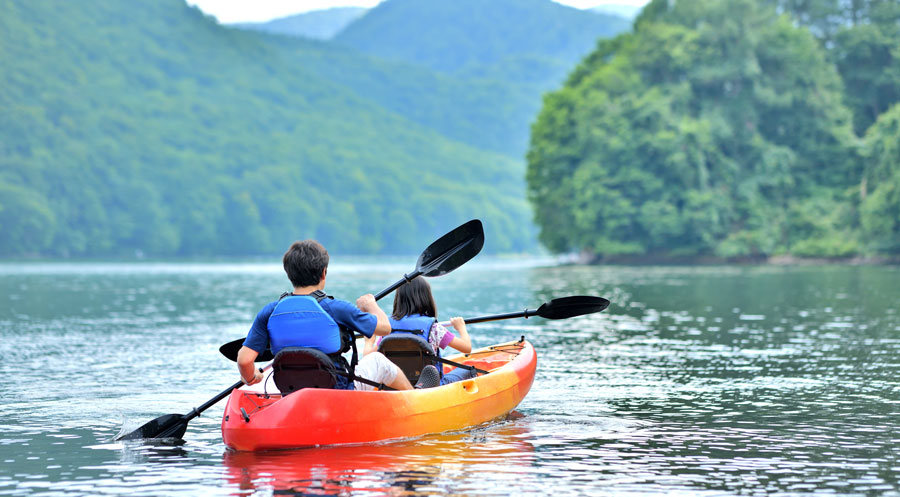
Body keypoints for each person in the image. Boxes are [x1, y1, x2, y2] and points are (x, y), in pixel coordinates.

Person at [237, 240, 414, 391]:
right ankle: (415, 398)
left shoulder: (269, 311)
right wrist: (371, 306)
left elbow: (244, 361)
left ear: (289, 274)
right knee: (378, 361)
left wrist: (252, 378)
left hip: (291, 391)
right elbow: (385, 328)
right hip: (338, 391)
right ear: (323, 273)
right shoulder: (337, 308)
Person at [364, 276, 477, 386]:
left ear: (398, 299)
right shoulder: (434, 328)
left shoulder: (386, 327)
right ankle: (423, 385)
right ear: (426, 298)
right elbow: (466, 348)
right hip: (432, 386)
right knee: (469, 370)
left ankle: (402, 384)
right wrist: (461, 327)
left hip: (395, 385)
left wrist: (369, 342)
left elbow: (367, 357)